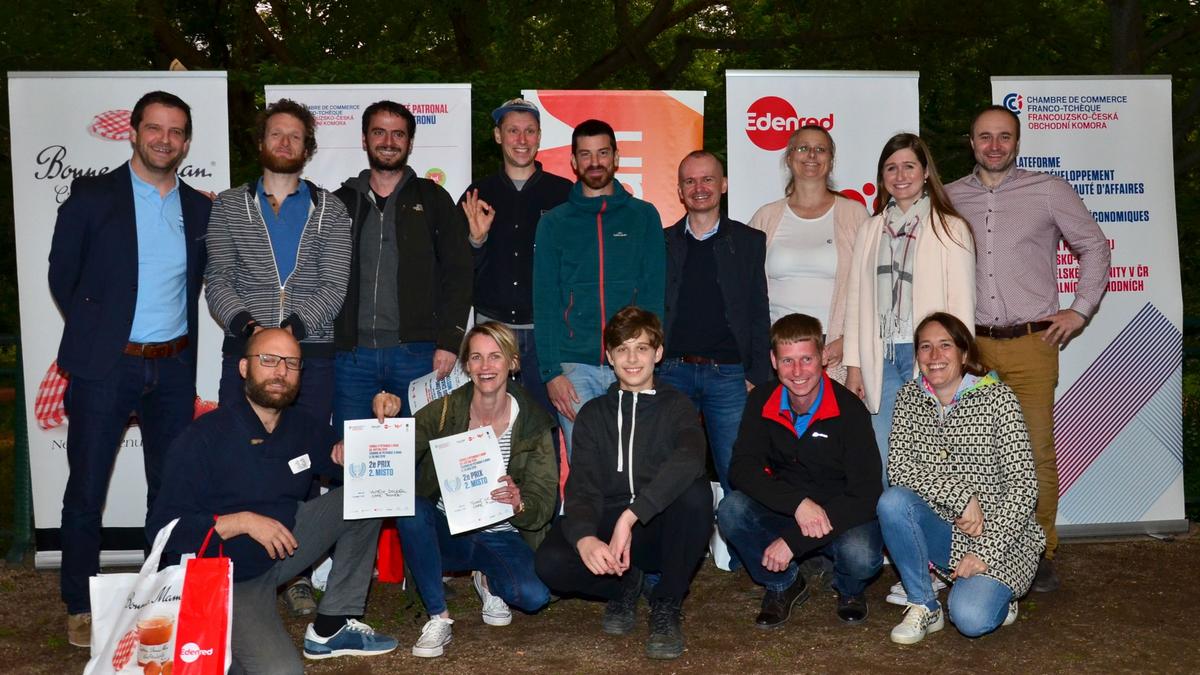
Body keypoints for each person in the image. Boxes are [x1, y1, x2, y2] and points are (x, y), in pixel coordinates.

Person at [48, 90, 211, 647]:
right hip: (105, 367)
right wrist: (102, 333)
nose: (165, 139)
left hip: (173, 369)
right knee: (87, 487)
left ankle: (159, 592)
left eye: (176, 131)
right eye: (155, 128)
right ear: (134, 132)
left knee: (170, 488)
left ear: (186, 142)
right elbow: (62, 276)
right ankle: (79, 602)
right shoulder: (93, 196)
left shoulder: (200, 209)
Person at [147, 329, 397, 673]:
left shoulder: (303, 427)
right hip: (231, 576)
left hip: (288, 545)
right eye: (269, 360)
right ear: (244, 368)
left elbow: (361, 466)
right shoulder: (202, 437)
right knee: (283, 672)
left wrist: (379, 425)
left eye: (291, 363)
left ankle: (333, 625)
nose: (281, 371)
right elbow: (162, 530)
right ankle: (221, 642)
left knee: (368, 494)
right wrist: (242, 522)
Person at [946, 105, 1111, 592]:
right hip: (971, 349)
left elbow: (1094, 246)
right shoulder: (949, 197)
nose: (994, 145)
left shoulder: (1049, 190)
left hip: (1032, 345)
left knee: (1035, 451)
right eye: (985, 136)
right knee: (971, 454)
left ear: (1017, 142)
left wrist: (1080, 310)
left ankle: (1039, 551)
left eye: (1004, 136)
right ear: (971, 142)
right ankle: (976, 548)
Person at [535, 307, 711, 660]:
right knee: (550, 563)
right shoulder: (593, 413)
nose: (632, 359)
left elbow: (691, 458)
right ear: (610, 356)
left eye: (642, 348)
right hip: (610, 521)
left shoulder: (677, 406)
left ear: (658, 354)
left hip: (656, 524)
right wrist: (585, 538)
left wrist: (631, 517)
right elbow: (582, 486)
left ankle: (667, 601)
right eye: (622, 349)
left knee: (695, 493)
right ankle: (625, 586)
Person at [373, 322, 555, 658]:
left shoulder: (534, 420)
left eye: (495, 356)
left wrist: (519, 503)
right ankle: (439, 616)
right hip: (449, 532)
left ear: (513, 362)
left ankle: (486, 578)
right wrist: (389, 415)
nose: (486, 366)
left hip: (502, 533)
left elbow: (544, 502)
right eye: (476, 357)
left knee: (534, 597)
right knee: (412, 508)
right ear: (466, 365)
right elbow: (397, 448)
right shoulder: (446, 410)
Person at [877, 312, 1045, 644]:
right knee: (893, 502)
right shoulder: (909, 398)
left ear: (964, 353)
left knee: (970, 618)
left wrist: (985, 551)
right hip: (945, 530)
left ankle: (1001, 595)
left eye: (945, 345)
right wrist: (962, 498)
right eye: (925, 347)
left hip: (1001, 537)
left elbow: (1024, 487)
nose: (934, 356)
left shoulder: (999, 399)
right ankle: (925, 604)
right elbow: (899, 469)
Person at [717, 313, 883, 628]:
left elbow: (866, 492)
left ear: (823, 357)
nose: (797, 371)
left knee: (861, 554)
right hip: (788, 509)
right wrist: (797, 504)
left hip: (839, 515)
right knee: (731, 509)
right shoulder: (761, 400)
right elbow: (742, 468)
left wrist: (793, 542)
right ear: (773, 361)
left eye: (806, 359)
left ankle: (849, 589)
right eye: (787, 361)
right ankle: (785, 583)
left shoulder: (849, 410)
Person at [205, 98, 351, 425]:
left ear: (306, 149)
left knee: (305, 450)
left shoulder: (332, 210)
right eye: (276, 134)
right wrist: (253, 331)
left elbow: (333, 287)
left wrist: (288, 333)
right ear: (261, 142)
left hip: (311, 357)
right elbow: (218, 281)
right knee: (239, 445)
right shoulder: (228, 206)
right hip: (246, 353)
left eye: (295, 136)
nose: (285, 142)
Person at [843, 133, 975, 483]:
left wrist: (958, 361)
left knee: (934, 458)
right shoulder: (870, 229)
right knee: (887, 460)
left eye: (909, 166)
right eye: (891, 168)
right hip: (881, 358)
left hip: (933, 357)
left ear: (926, 172)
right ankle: (895, 519)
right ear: (882, 176)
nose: (900, 176)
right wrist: (854, 367)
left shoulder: (951, 227)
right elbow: (856, 300)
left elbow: (962, 304)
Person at [532, 119, 666, 458]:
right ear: (574, 161)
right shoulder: (553, 223)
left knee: (635, 462)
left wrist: (648, 357)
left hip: (632, 362)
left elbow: (653, 295)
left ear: (616, 158)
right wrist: (551, 373)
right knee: (588, 467)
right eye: (586, 154)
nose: (595, 162)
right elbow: (544, 301)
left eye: (603, 153)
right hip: (574, 368)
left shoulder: (643, 216)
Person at [332, 100, 473, 423]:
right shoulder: (341, 203)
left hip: (419, 354)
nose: (388, 141)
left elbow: (459, 272)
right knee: (350, 449)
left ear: (409, 143)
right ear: (364, 139)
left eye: (398, 134)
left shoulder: (433, 198)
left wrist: (450, 342)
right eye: (379, 132)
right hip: (351, 357)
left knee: (421, 449)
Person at [661, 150, 770, 495]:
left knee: (738, 476)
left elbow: (758, 310)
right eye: (690, 181)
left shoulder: (749, 242)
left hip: (731, 377)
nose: (699, 188)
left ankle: (738, 535)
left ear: (723, 184)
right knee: (667, 474)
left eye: (707, 179)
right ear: (680, 191)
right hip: (671, 373)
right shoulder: (661, 243)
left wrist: (756, 375)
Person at [460, 98, 572, 419]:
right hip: (491, 332)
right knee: (490, 426)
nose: (521, 140)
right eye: (513, 131)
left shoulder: (564, 194)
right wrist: (476, 241)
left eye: (529, 131)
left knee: (543, 425)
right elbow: (458, 271)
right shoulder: (477, 195)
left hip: (546, 334)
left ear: (539, 137)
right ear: (498, 136)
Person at [747, 124, 868, 382]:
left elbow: (870, 290)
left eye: (820, 149)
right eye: (803, 148)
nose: (812, 155)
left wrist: (848, 342)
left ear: (831, 161)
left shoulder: (855, 215)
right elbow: (745, 290)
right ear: (789, 157)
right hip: (778, 351)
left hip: (835, 351)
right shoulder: (765, 217)